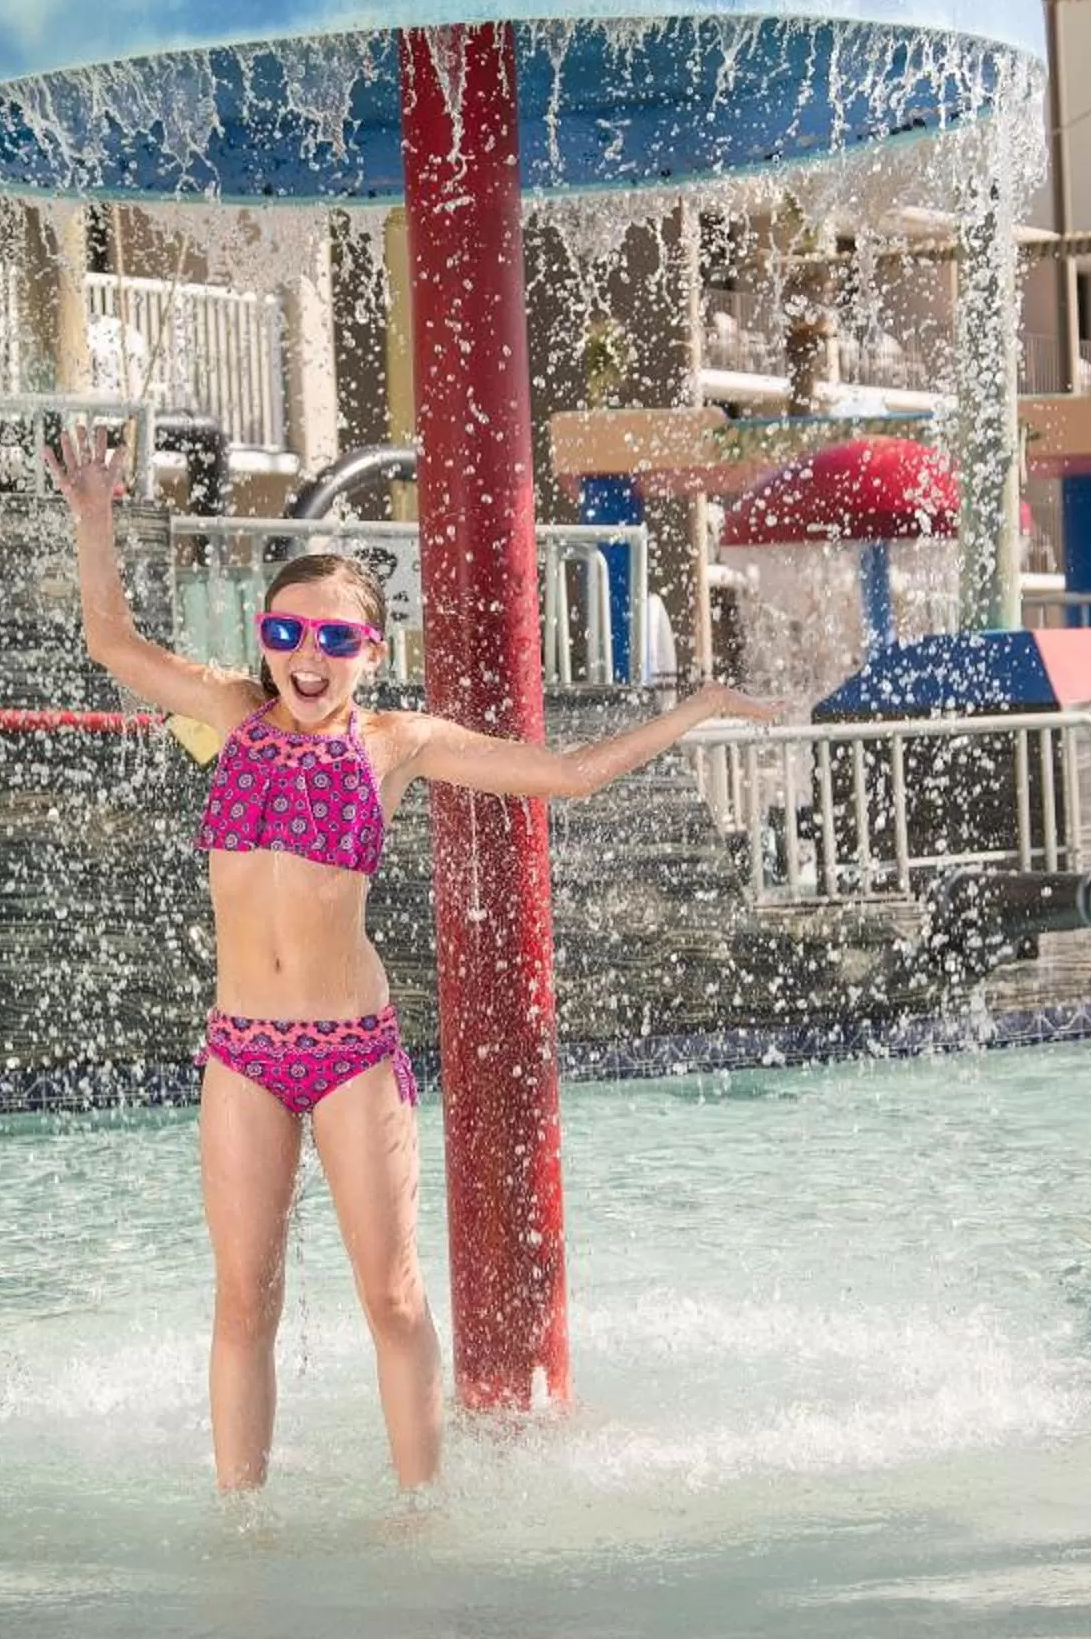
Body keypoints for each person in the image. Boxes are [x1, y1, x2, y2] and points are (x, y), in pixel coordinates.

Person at [44, 428, 771, 1493]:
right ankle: (243, 1531)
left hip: (351, 1050)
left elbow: (568, 773)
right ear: (264, 637)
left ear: (372, 650)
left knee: (390, 1296)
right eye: (288, 631)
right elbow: (110, 640)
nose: (308, 655)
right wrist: (96, 518)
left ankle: (419, 1515)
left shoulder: (396, 743)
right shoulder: (232, 712)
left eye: (334, 638)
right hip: (242, 1049)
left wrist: (697, 707)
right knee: (244, 1297)